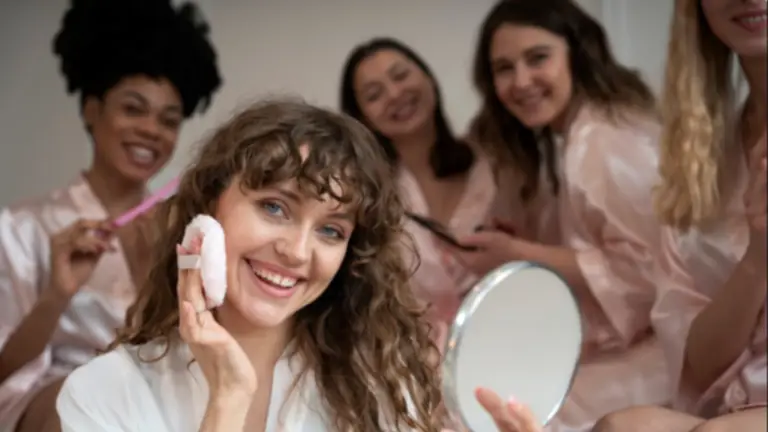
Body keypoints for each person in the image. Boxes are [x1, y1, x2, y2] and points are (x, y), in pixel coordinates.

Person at [54, 98, 540, 432]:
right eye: (275, 207)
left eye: (331, 231)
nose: (297, 251)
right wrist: (228, 399)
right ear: (205, 214)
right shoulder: (101, 393)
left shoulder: (376, 389)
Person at [0, 0, 222, 430]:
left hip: (156, 396)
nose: (150, 130)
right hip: (54, 405)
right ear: (92, 110)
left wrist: (150, 278)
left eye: (168, 120)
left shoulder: (181, 233)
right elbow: (4, 369)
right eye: (133, 108)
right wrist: (56, 295)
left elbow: (191, 354)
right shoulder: (22, 227)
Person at [450, 0, 671, 430]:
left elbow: (645, 275)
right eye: (504, 68)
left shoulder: (605, 142)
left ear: (578, 54)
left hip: (658, 355)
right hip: (616, 346)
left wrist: (518, 253)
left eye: (538, 58)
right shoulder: (567, 140)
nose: (521, 81)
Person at [593, 0, 766, 431]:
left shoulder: (602, 147)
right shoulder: (701, 158)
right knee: (620, 427)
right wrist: (759, 256)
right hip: (730, 406)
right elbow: (698, 366)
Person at [339, 38, 500, 348]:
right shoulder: (365, 198)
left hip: (515, 342)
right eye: (374, 94)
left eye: (401, 76)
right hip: (416, 358)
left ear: (429, 79)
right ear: (363, 117)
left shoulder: (496, 164)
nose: (394, 94)